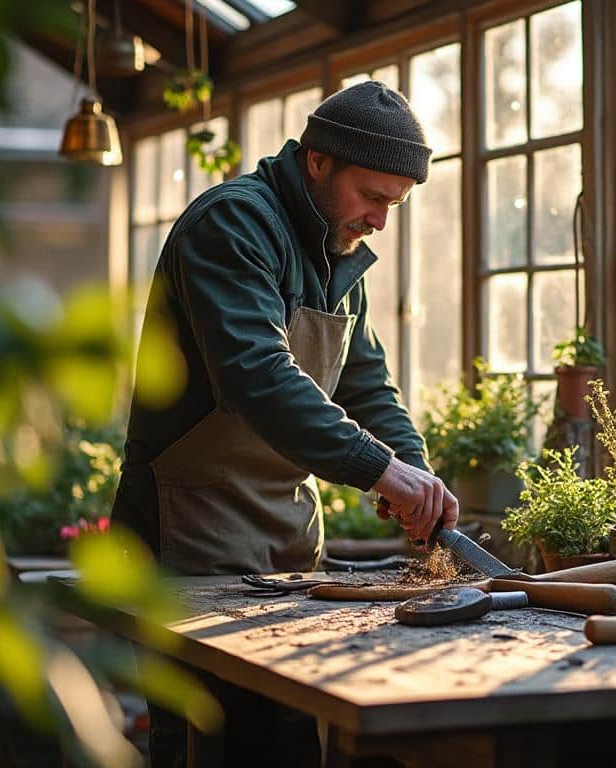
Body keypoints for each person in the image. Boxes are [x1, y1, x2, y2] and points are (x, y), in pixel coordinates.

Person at [110, 81, 459, 767]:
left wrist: (413, 470)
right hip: (188, 533)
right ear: (317, 161)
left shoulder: (338, 252)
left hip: (284, 538)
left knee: (288, 741)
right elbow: (256, 377)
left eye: (395, 204)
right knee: (207, 744)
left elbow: (366, 385)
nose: (382, 221)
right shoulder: (233, 225)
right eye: (374, 198)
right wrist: (377, 470)